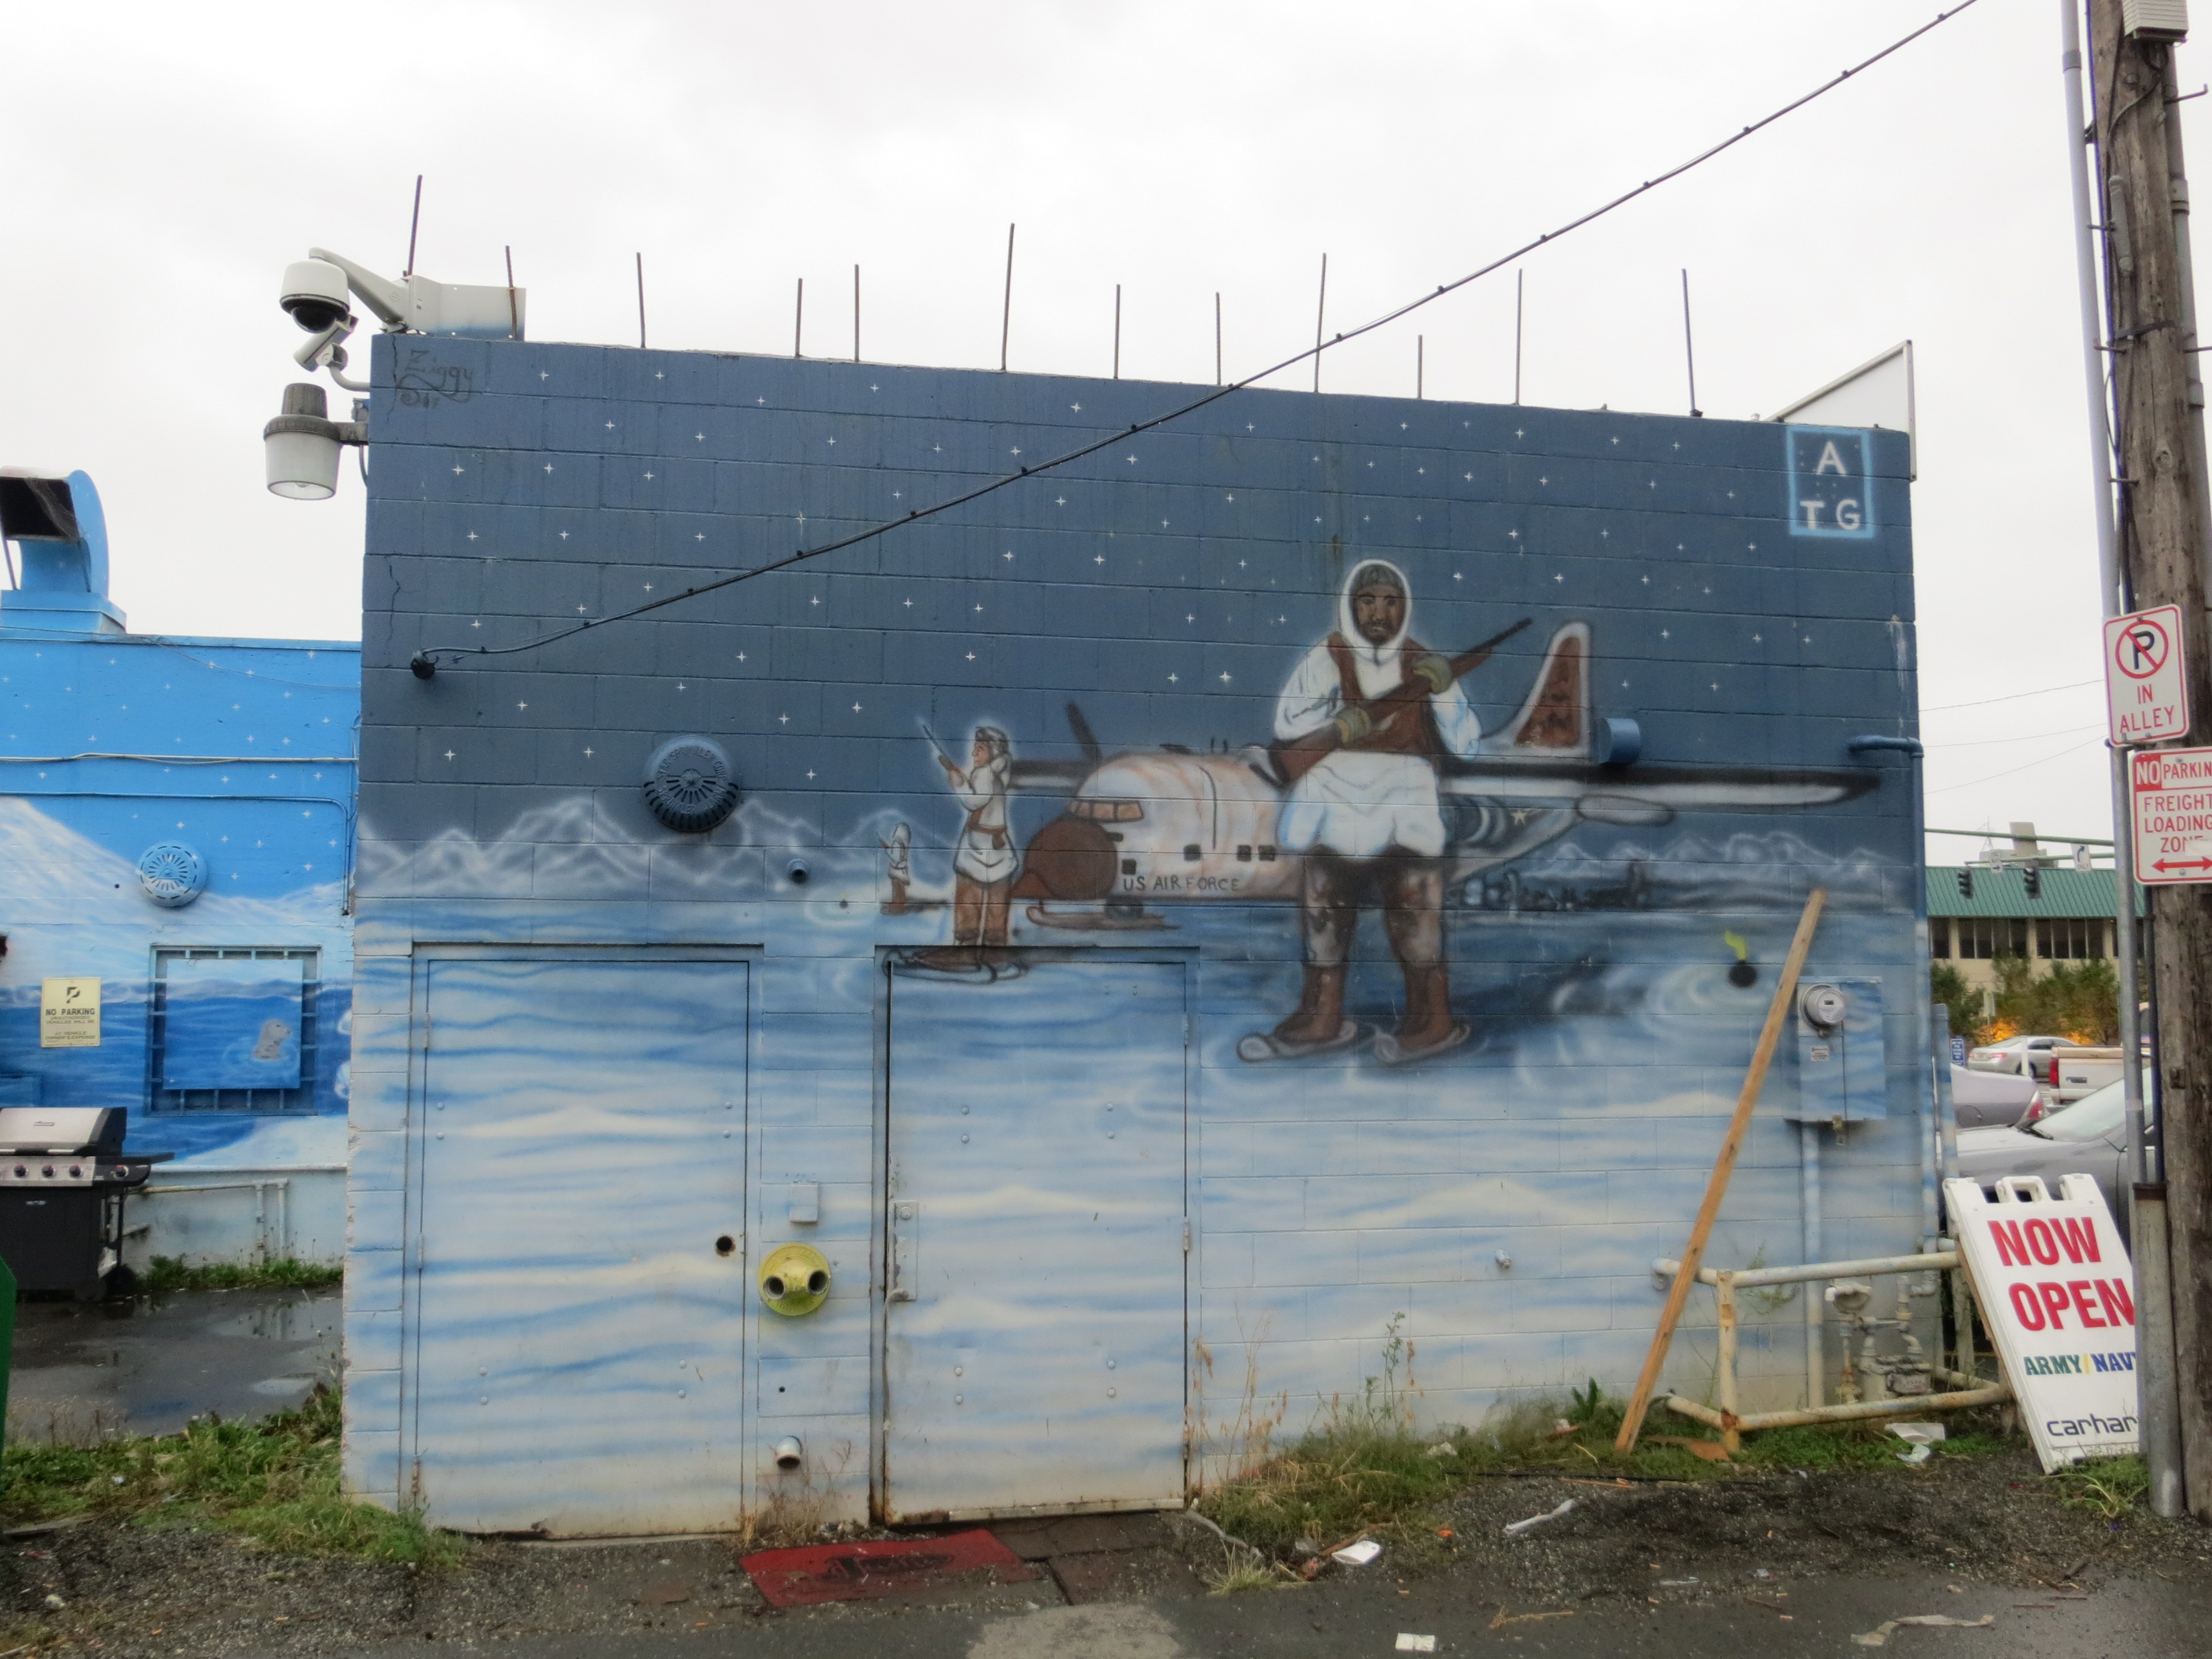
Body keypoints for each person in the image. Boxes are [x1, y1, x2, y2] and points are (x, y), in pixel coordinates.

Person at [1240, 560, 1480, 1066]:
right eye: (1368, 601)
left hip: (1404, 805)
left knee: (1414, 915)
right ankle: (1322, 1016)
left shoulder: (1424, 662)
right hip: (1332, 803)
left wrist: (1443, 692)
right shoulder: (1327, 658)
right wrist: (1342, 720)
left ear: (1403, 608)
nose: (1379, 613)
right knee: (1324, 914)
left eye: (1390, 602)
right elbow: (1289, 722)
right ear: (1352, 605)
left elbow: (1467, 742)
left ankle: (1431, 1019)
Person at [907, 727, 1021, 977]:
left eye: (980, 749)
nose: (974, 753)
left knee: (969, 901)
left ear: (992, 752)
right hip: (998, 849)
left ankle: (966, 952)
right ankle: (995, 954)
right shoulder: (998, 772)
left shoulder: (986, 772)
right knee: (997, 907)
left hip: (978, 849)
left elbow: (975, 801)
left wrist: (958, 784)